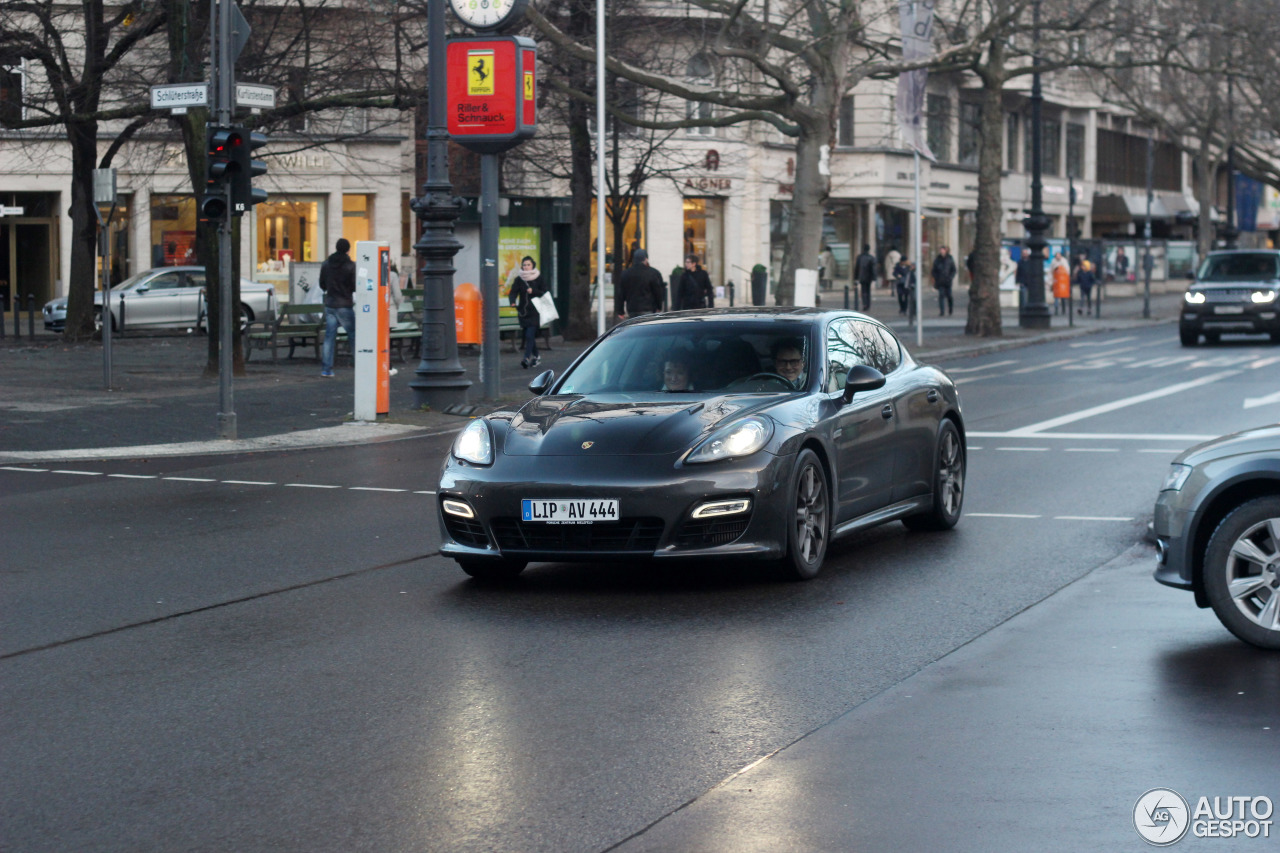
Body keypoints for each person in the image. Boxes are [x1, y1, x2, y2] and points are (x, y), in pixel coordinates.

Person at [318, 237, 356, 377]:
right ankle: (358, 363)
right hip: (345, 304)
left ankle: (326, 369)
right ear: (347, 249)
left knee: (329, 337)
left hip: (330, 304)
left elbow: (322, 284)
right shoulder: (351, 265)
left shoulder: (326, 264)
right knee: (353, 334)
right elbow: (354, 285)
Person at [507, 256, 548, 369]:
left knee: (530, 335)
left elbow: (544, 292)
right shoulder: (519, 279)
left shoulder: (539, 278)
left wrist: (533, 290)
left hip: (535, 311)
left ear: (533, 265)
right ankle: (537, 356)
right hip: (523, 311)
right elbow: (513, 292)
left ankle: (526, 358)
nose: (526, 267)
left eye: (528, 265)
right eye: (524, 265)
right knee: (528, 335)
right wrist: (512, 302)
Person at [615, 248, 665, 320]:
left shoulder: (626, 273)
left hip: (632, 309)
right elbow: (657, 292)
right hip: (648, 309)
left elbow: (621, 293)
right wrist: (659, 307)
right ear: (646, 259)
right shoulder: (652, 273)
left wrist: (620, 311)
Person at [931, 245, 957, 316]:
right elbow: (934, 270)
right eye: (941, 250)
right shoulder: (937, 259)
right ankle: (942, 311)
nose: (942, 251)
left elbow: (953, 270)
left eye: (943, 250)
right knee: (941, 295)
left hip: (948, 281)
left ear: (945, 251)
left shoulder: (950, 259)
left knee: (949, 296)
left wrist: (950, 277)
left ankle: (950, 309)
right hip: (940, 281)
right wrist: (936, 277)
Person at [853, 244, 877, 312]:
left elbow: (856, 268)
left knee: (863, 291)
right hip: (869, 277)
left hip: (862, 277)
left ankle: (865, 304)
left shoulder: (859, 257)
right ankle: (867, 304)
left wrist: (856, 277)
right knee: (868, 291)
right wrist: (874, 277)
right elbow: (873, 269)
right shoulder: (871, 258)